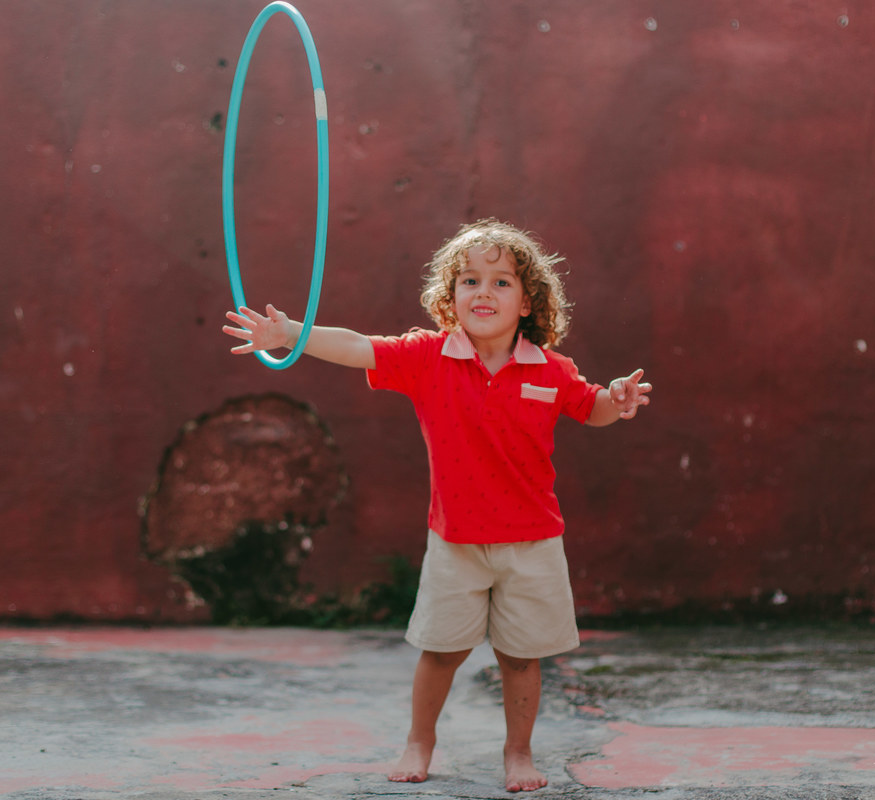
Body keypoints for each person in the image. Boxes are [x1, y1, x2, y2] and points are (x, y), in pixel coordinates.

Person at [222, 219, 651, 793]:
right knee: (441, 651)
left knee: (521, 659)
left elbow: (591, 406)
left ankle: (517, 753)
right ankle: (419, 741)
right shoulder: (427, 357)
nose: (484, 292)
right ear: (450, 297)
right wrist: (292, 333)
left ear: (528, 301)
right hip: (456, 543)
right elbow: (357, 345)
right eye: (469, 280)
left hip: (533, 542)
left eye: (501, 283)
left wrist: (616, 400)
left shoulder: (551, 369)